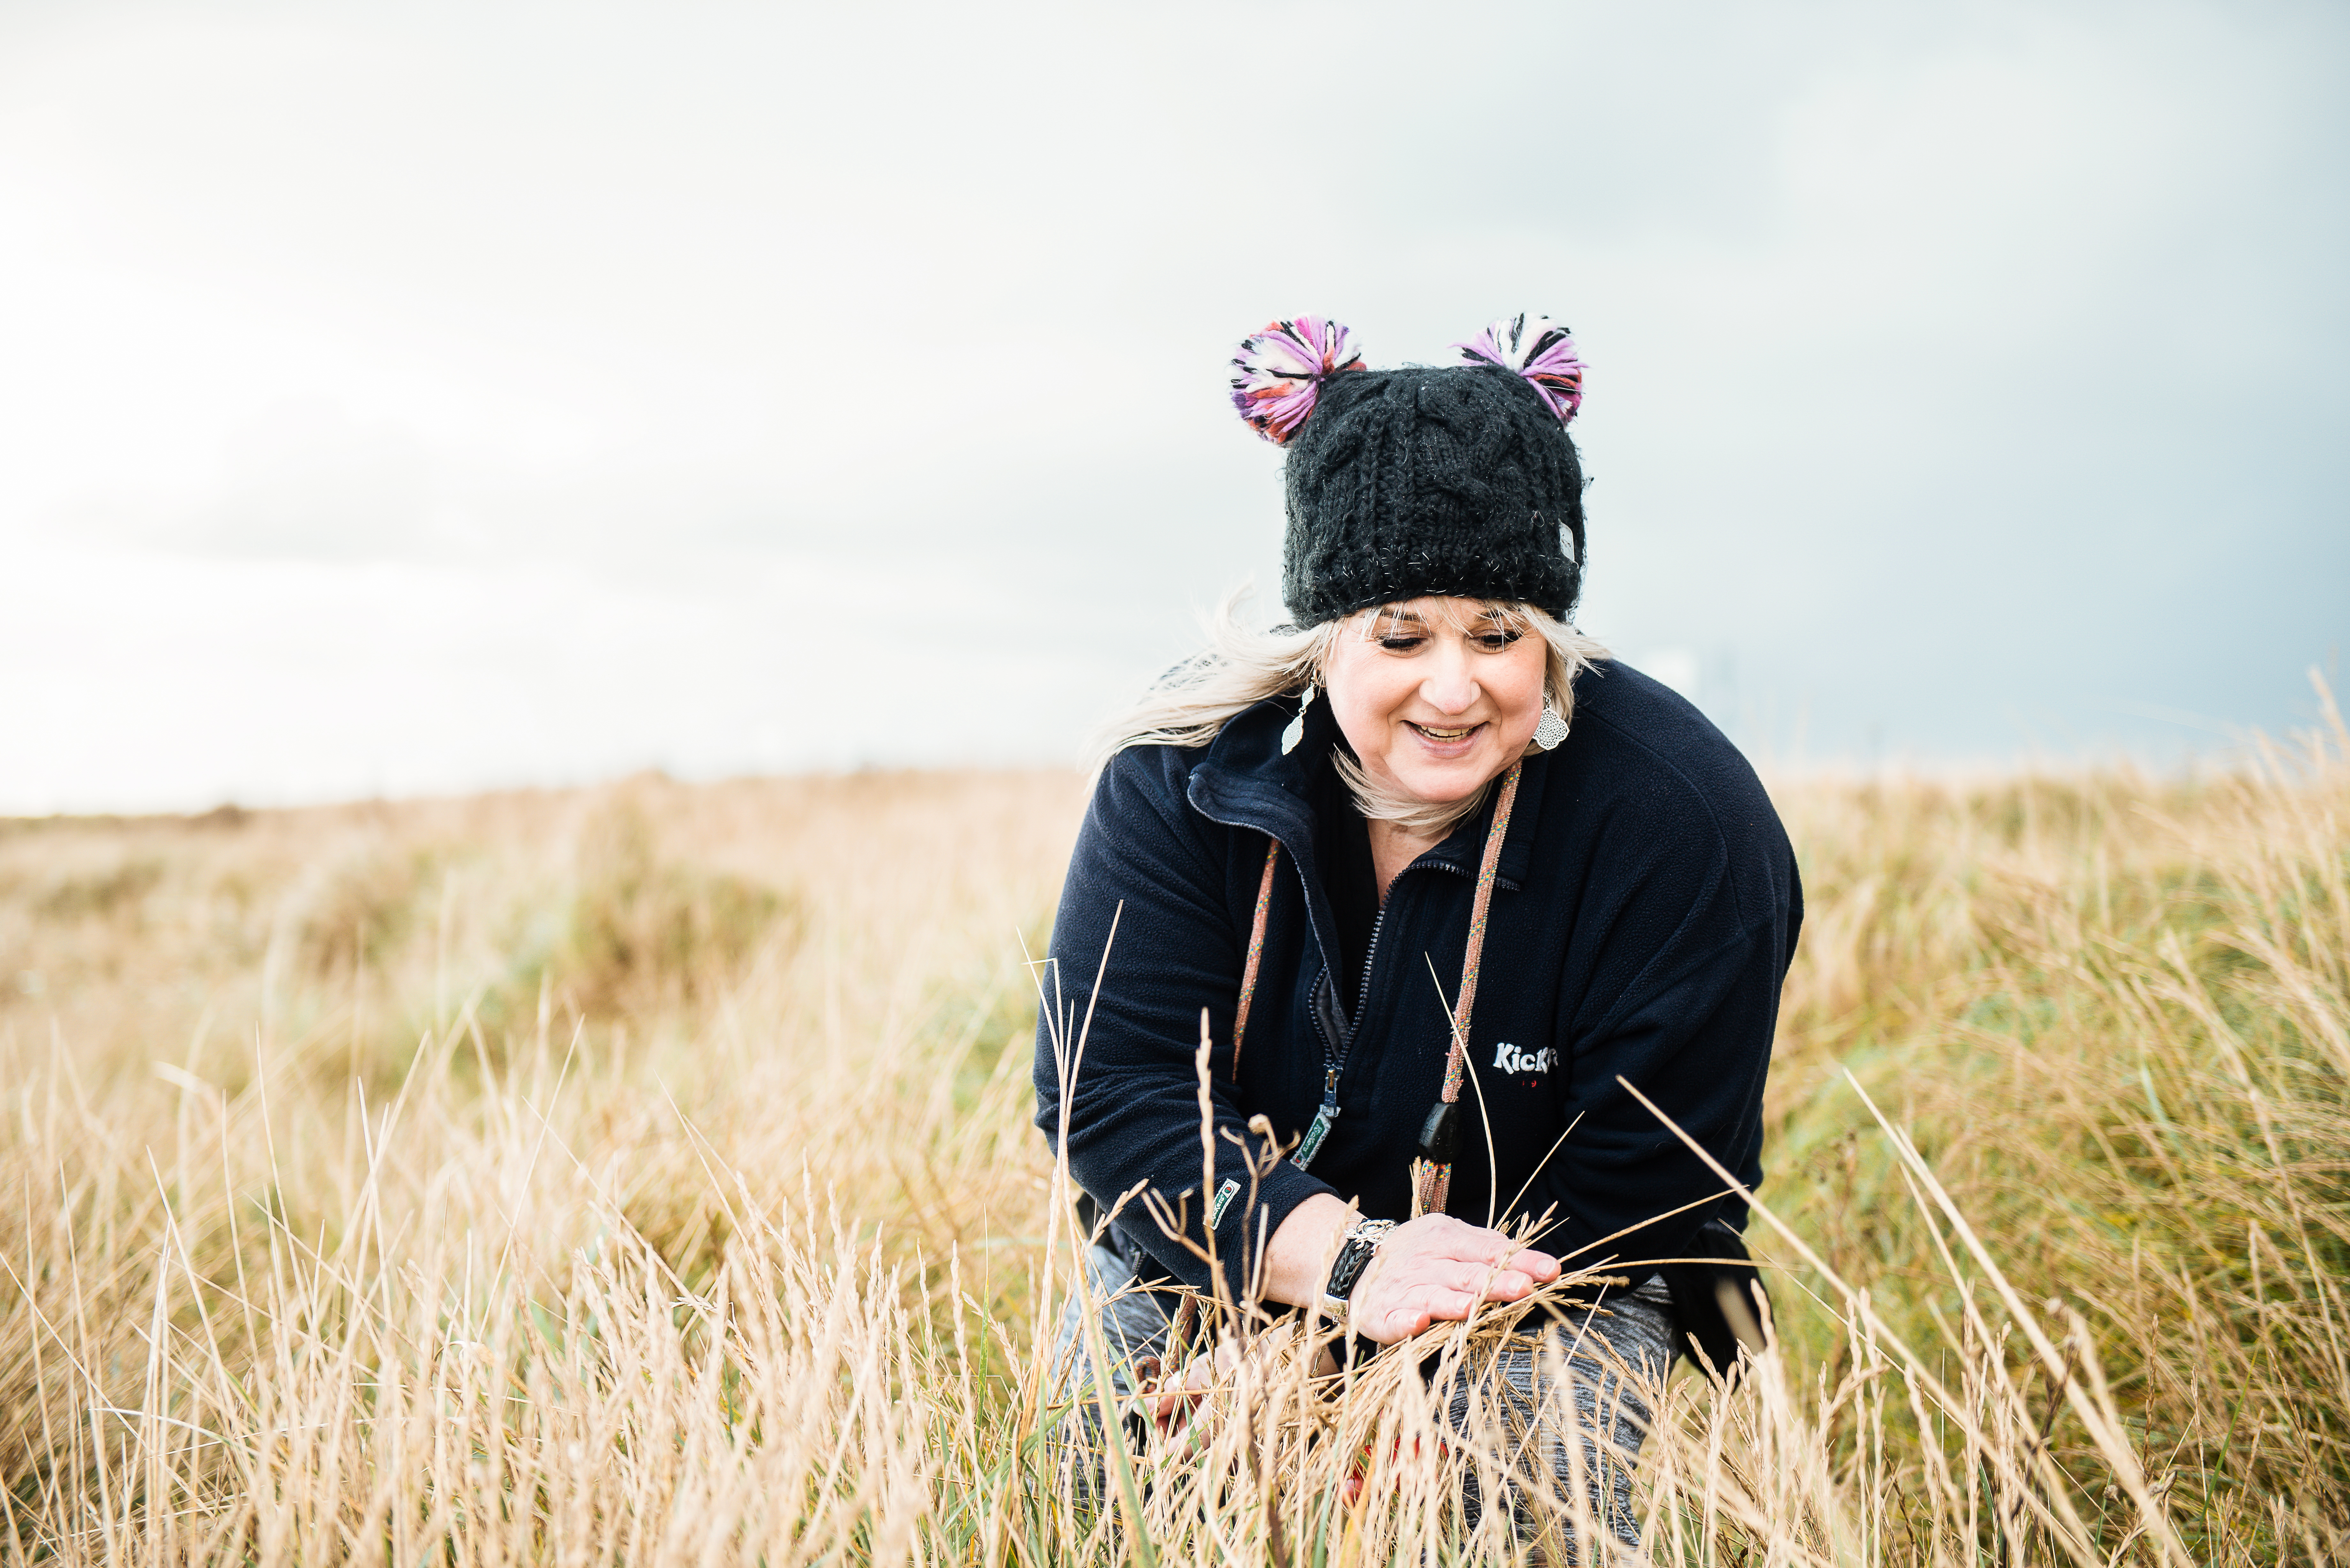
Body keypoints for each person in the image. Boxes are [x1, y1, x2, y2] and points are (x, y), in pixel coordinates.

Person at [1032, 313, 1802, 1547]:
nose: (1455, 689)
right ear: (1322, 634)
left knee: (1507, 1500)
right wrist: (1331, 1283)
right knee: (1105, 1467)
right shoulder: (1179, 777)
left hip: (1552, 1285)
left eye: (1500, 635)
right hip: (1245, 1236)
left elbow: (1652, 1183)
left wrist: (1422, 1374)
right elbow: (1111, 1093)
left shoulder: (1684, 820)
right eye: (1401, 637)